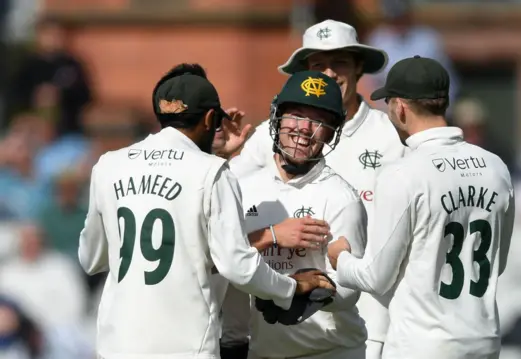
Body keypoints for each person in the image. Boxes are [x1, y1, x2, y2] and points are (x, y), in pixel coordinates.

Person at [77, 63, 335, 359]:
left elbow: (90, 258)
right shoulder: (211, 172)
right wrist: (292, 287)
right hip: (185, 347)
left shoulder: (109, 165)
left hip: (116, 345)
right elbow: (237, 266)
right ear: (211, 118)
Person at [226, 19, 407, 359]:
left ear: (357, 68)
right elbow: (222, 203)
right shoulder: (274, 133)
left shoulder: (391, 136)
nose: (328, 73)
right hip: (277, 331)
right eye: (317, 64)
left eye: (338, 62)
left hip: (376, 323)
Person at [327, 56, 515, 359]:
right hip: (484, 341)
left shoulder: (403, 174)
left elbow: (377, 277)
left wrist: (341, 259)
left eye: (388, 104)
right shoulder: (496, 167)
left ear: (400, 107)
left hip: (423, 345)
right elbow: (497, 263)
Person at [216, 71, 368, 359]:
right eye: (296, 115)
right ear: (278, 119)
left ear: (331, 132)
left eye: (318, 121)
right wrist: (273, 236)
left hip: (331, 350)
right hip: (262, 351)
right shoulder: (243, 186)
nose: (304, 129)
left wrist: (303, 294)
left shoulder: (341, 198)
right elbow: (218, 256)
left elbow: (350, 292)